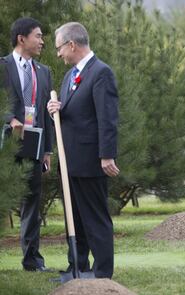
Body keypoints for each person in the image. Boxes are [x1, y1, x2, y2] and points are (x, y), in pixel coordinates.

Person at [47, 22, 119, 278]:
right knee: (74, 219)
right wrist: (58, 109)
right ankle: (77, 268)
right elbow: (76, 111)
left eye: (59, 48)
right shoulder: (70, 75)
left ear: (72, 45)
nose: (58, 54)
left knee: (95, 218)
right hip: (70, 161)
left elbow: (107, 117)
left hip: (90, 160)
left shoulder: (101, 73)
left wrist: (106, 155)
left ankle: (102, 273)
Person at [0, 17, 53, 272]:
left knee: (32, 202)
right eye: (38, 36)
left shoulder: (44, 72)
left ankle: (32, 261)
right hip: (6, 145)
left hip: (34, 145)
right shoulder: (2, 67)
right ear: (22, 39)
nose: (42, 41)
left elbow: (45, 115)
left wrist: (48, 151)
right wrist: (10, 119)